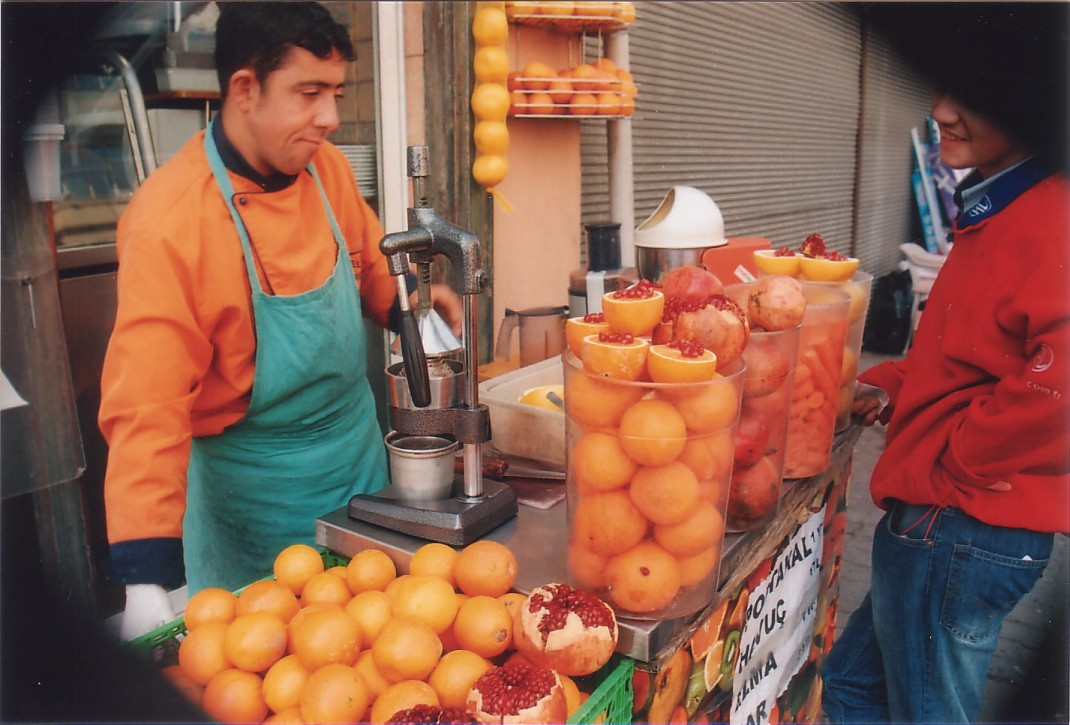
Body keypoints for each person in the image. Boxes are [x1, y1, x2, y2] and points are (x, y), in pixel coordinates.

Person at [99, 2, 460, 640]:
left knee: (384, 651)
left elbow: (372, 265)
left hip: (357, 471)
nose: (330, 117)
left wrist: (417, 311)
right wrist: (145, 576)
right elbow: (145, 409)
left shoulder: (327, 169)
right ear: (245, 89)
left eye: (336, 93)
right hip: (253, 504)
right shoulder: (169, 223)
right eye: (308, 93)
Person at [820, 25, 1070, 725]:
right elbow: (977, 351)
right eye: (941, 86)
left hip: (961, 524)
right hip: (951, 520)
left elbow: (1057, 392)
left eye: (974, 97)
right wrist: (896, 386)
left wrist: (954, 454)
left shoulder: (1049, 215)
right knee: (850, 683)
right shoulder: (1003, 202)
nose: (942, 110)